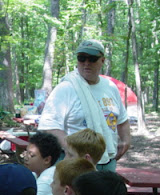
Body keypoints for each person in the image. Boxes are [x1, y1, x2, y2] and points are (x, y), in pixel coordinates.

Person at [38, 39, 131, 172]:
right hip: (76, 164)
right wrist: (74, 151)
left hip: (107, 161)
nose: (86, 63)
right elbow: (49, 126)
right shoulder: (66, 88)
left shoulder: (110, 87)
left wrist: (126, 140)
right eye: (82, 58)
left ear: (102, 60)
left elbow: (122, 120)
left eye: (92, 59)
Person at [23, 131, 67, 195]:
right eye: (26, 152)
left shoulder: (48, 181)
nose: (26, 157)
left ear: (47, 160)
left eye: (31, 155)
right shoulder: (36, 174)